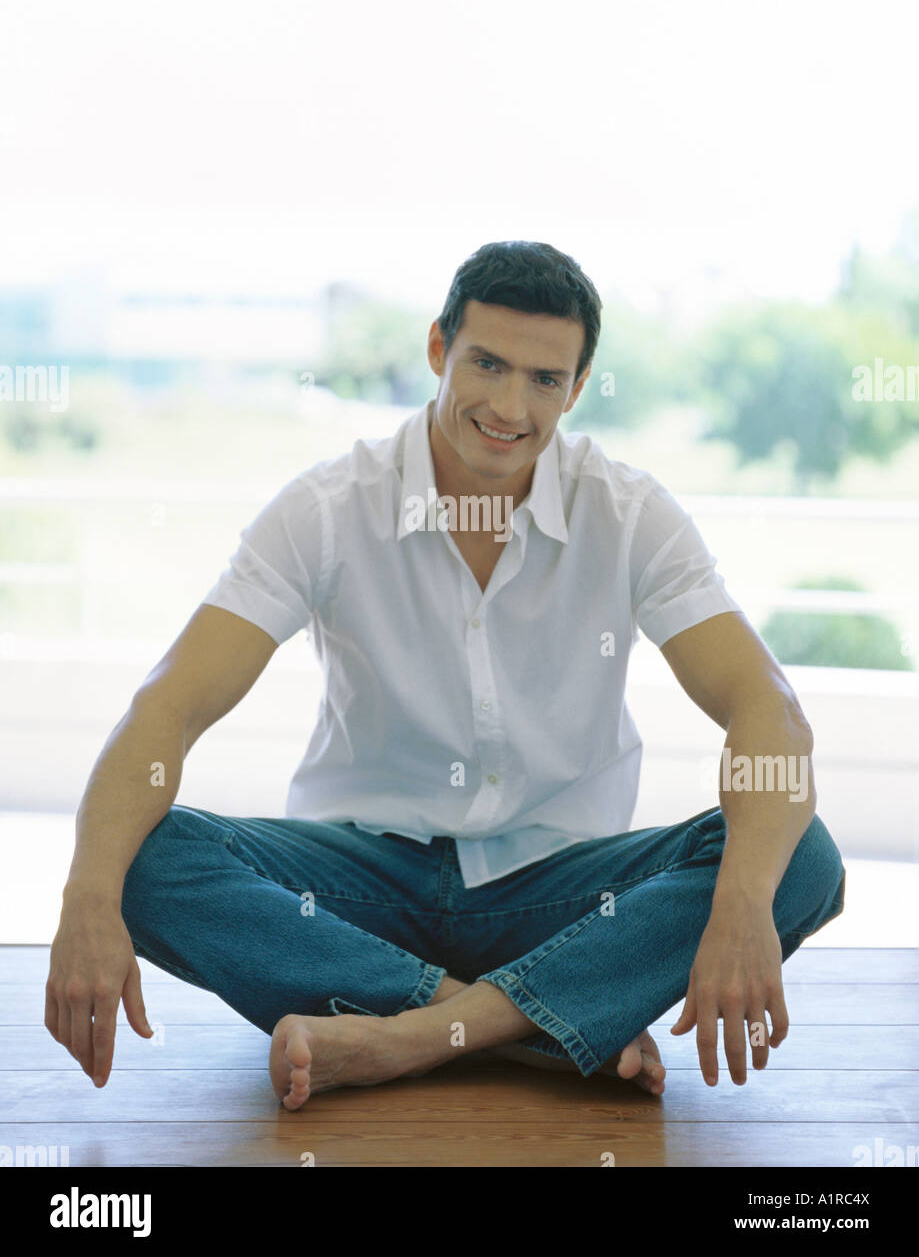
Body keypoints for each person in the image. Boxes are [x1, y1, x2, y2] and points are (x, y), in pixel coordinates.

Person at [45, 240, 845, 1111]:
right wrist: (86, 895)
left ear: (577, 389)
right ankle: (533, 1024)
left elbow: (767, 713)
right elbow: (169, 705)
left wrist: (739, 908)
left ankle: (403, 1039)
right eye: (487, 364)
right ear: (437, 350)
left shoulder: (627, 512)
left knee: (797, 861)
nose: (509, 405)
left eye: (544, 379)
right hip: (355, 896)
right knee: (141, 857)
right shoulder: (327, 508)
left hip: (562, 897)